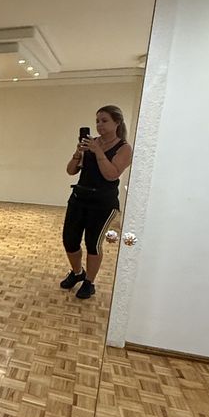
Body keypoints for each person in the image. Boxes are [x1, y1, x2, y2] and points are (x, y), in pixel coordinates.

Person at [60, 105, 133, 299]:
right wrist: (78, 153)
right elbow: (71, 171)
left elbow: (111, 174)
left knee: (93, 244)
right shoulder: (91, 144)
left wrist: (98, 151)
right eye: (97, 121)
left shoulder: (124, 148)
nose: (100, 125)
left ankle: (89, 282)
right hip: (79, 199)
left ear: (117, 122)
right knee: (69, 240)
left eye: (104, 121)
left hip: (103, 204)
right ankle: (77, 273)